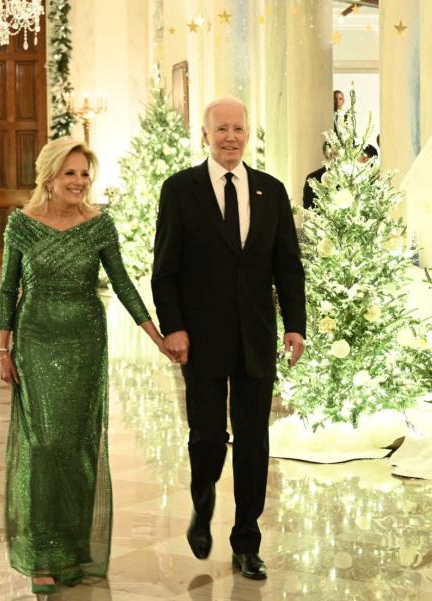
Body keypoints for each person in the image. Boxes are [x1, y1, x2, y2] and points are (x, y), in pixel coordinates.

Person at [0, 137, 168, 594]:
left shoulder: (99, 226)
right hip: (35, 339)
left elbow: (124, 285)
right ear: (50, 177)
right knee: (44, 445)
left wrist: (156, 335)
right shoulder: (22, 226)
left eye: (85, 173)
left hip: (86, 341)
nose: (78, 181)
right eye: (69, 173)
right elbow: (6, 289)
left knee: (77, 445)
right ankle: (41, 552)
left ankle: (71, 549)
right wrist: (2, 349)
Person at [152, 97, 307, 581]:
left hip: (256, 338)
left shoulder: (271, 191)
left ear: (247, 133)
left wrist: (295, 325)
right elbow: (165, 271)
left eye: (238, 128)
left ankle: (247, 541)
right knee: (206, 436)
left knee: (253, 439)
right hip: (200, 339)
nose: (231, 137)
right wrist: (173, 327)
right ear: (205, 134)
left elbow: (288, 266)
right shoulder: (180, 190)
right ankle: (202, 503)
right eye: (221, 128)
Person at [301, 141, 332, 210]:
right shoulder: (313, 179)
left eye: (337, 155)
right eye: (330, 156)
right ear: (324, 156)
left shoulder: (351, 179)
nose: (335, 160)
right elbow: (308, 209)